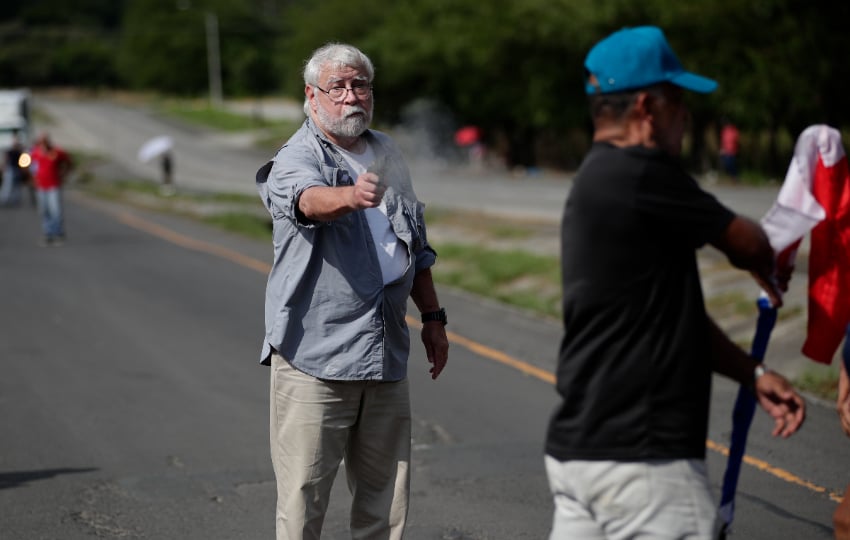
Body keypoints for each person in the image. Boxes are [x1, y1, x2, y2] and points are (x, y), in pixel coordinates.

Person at [543, 26, 806, 539]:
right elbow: (750, 243)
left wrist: (752, 373)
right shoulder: (643, 172)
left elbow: (670, 315)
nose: (686, 116)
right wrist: (771, 252)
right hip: (645, 464)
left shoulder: (597, 179)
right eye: (678, 101)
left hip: (582, 455)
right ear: (647, 107)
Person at [254, 43, 449, 540]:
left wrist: (432, 318)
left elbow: (416, 246)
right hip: (315, 355)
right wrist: (350, 196)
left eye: (359, 84)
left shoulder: (386, 150)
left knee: (385, 501)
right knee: (303, 500)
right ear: (311, 96)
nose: (349, 96)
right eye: (336, 86)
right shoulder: (295, 157)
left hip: (385, 350)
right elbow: (307, 200)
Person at [30, 133, 71, 245]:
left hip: (53, 185)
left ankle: (58, 233)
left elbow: (68, 162)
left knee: (55, 210)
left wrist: (63, 174)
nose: (43, 144)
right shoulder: (35, 152)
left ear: (48, 141)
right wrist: (32, 178)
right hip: (41, 187)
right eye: (41, 142)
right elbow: (28, 165)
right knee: (44, 210)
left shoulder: (57, 152)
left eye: (45, 141)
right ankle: (48, 233)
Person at [0, 131, 25, 206]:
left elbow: (23, 160)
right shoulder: (10, 151)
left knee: (16, 186)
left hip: (17, 169)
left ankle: (15, 200)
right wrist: (3, 167)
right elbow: (6, 160)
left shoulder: (19, 151)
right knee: (7, 185)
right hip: (11, 169)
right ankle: (4, 200)